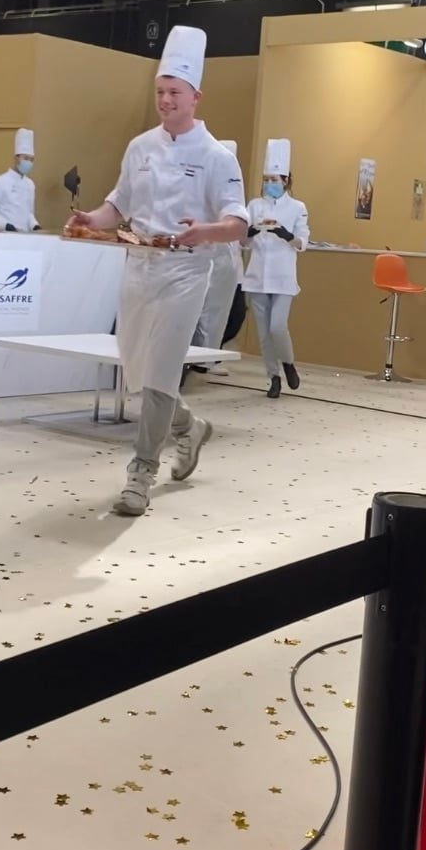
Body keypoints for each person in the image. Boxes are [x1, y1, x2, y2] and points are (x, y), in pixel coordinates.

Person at [66, 26, 248, 517]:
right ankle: (191, 428)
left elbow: (237, 222)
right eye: (160, 92)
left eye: (174, 93)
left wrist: (205, 231)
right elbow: (118, 204)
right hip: (138, 267)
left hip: (185, 273)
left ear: (196, 96)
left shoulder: (217, 156)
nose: (165, 101)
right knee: (141, 371)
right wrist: (91, 220)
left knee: (163, 371)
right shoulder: (140, 147)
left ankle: (141, 472)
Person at [243, 139, 309, 400]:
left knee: (277, 327)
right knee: (263, 334)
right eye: (266, 179)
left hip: (283, 278)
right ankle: (273, 377)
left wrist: (286, 235)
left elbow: (302, 242)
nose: (269, 184)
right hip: (257, 276)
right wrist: (249, 232)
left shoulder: (297, 208)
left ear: (285, 180)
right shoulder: (254, 206)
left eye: (274, 179)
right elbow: (242, 241)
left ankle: (289, 363)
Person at [190, 139, 244, 370]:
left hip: (226, 263)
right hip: (203, 259)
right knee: (198, 314)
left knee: (222, 315)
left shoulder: (234, 199)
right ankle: (196, 360)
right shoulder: (199, 193)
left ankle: (205, 359)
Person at [0, 130, 40, 233]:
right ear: (16, 158)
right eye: (26, 158)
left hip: (25, 237)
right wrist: (5, 225)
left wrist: (34, 225)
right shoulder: (0, 181)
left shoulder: (30, 184)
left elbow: (29, 213)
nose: (29, 162)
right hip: (5, 235)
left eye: (32, 160)